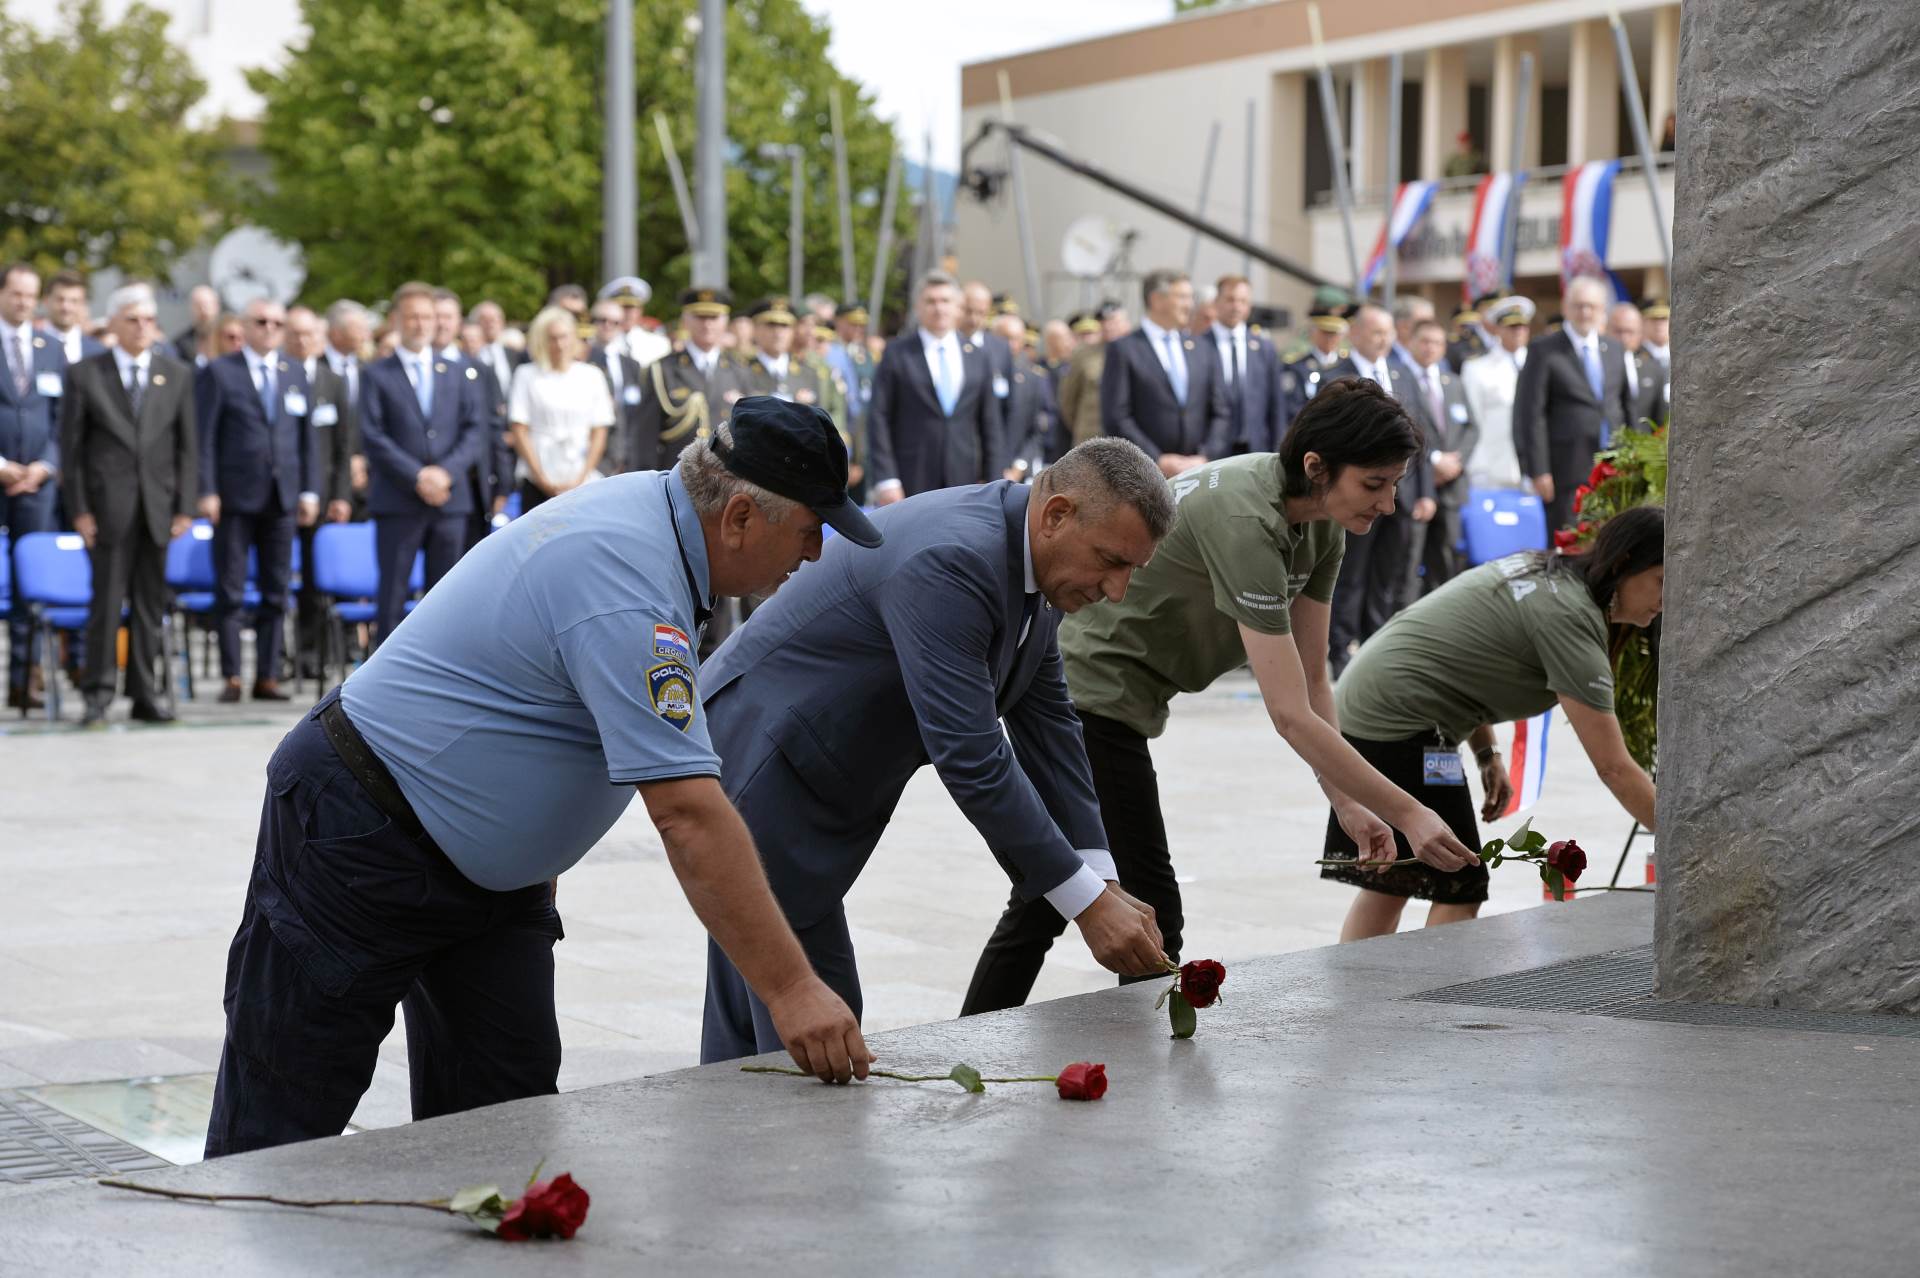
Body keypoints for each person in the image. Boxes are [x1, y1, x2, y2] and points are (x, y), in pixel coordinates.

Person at [203, 398, 885, 1157]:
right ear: (740, 519)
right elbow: (687, 815)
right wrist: (791, 990)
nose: (818, 552)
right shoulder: (627, 576)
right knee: (278, 1129)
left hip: (486, 883)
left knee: (503, 1125)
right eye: (810, 528)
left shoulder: (658, 519)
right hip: (359, 834)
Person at [962, 380, 1479, 1013]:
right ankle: (1142, 1086)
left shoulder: (1322, 528)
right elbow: (1288, 713)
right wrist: (1411, 812)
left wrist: (1347, 802)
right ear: (1316, 467)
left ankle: (979, 1040)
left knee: (1049, 897)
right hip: (1086, 696)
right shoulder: (1247, 518)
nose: (1391, 503)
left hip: (1118, 701)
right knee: (1150, 915)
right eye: (1374, 484)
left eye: (1395, 483)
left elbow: (1315, 682)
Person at [701, 437, 1175, 1061]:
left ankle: (728, 1148)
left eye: (1132, 571)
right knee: (812, 1023)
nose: (1117, 590)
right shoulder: (956, 558)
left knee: (758, 1008)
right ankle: (782, 1156)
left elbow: (1050, 719)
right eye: (1112, 561)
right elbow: (973, 756)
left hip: (805, 762)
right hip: (765, 754)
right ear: (1057, 514)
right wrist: (1085, 903)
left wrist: (1102, 877)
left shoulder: (1036, 557)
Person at [1322, 506, 1664, 939]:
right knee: (1459, 883)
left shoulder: (1549, 576)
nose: (1666, 599)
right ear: (1623, 564)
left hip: (1373, 701)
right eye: (1662, 581)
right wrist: (1685, 845)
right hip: (1398, 718)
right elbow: (1613, 766)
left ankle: (1359, 1000)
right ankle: (1417, 1003)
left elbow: (1461, 659)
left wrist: (1487, 753)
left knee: (1393, 875)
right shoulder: (1570, 617)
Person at [61, 283, 196, 724]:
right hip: (106, 510)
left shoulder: (175, 374)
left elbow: (187, 449)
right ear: (114, 322)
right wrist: (79, 509)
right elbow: (73, 451)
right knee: (105, 604)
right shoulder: (86, 374)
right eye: (132, 320)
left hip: (157, 509)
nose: (142, 328)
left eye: (148, 320)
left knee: (149, 606)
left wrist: (184, 508)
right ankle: (97, 696)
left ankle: (145, 693)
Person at [195, 297, 318, 701]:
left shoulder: (294, 371)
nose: (269, 328)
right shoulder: (220, 371)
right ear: (244, 326)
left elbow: (306, 440)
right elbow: (205, 438)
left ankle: (267, 675)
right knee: (230, 588)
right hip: (234, 496)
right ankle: (232, 676)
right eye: (261, 321)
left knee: (276, 589)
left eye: (276, 323)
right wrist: (207, 489)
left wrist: (309, 489)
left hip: (281, 497)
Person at [358, 281, 488, 644]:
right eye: (412, 316)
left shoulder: (458, 371)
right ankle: (381, 683)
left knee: (444, 597)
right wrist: (418, 476)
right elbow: (373, 435)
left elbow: (474, 431)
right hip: (399, 499)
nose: (420, 324)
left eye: (427, 316)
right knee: (393, 592)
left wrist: (445, 473)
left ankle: (438, 677)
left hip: (449, 500)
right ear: (396, 320)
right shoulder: (376, 374)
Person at [1323, 303, 1435, 675]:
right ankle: (1341, 648)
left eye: (1387, 332)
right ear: (1355, 333)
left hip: (1401, 495)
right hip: (1358, 493)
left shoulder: (1402, 375)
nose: (1383, 339)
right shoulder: (1338, 376)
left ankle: (1375, 645)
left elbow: (1421, 438)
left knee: (1389, 575)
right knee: (1351, 572)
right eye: (1375, 332)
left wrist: (1425, 491)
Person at [866, 270, 1005, 503]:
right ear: (918, 307)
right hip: (910, 477)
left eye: (945, 301)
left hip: (965, 479)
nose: (939, 308)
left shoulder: (977, 356)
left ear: (958, 306)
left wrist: (994, 480)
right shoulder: (898, 353)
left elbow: (990, 422)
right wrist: (887, 478)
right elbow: (878, 416)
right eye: (930, 301)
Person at [1514, 276, 1634, 533]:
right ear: (1566, 307)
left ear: (1602, 310)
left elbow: (1624, 405)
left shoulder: (1614, 349)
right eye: (1579, 305)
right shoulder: (1544, 349)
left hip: (1612, 467)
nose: (1585, 312)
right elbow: (1530, 413)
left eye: (1592, 306)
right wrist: (1538, 470)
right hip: (1565, 469)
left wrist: (1633, 457)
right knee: (1568, 542)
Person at [0, 263, 65, 711]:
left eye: (30, 295)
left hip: (37, 485)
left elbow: (64, 420)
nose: (24, 302)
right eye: (16, 293)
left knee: (29, 586)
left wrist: (44, 466)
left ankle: (25, 680)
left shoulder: (51, 348)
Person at [1099, 269, 1230, 477]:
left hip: (1199, 472)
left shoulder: (1202, 348)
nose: (1189, 305)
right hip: (1144, 476)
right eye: (1182, 297)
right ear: (1157, 300)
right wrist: (1156, 459)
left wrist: (1206, 456)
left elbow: (1220, 411)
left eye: (1190, 297)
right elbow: (1116, 417)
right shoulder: (1125, 349)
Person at [505, 306, 612, 514]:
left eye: (564, 337)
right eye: (552, 338)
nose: (559, 344)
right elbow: (519, 429)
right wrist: (542, 479)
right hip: (537, 480)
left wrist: (582, 476)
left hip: (582, 479)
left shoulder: (591, 375)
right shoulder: (526, 375)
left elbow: (599, 430)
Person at [635, 286, 748, 474]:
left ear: (725, 320)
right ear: (685, 320)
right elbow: (645, 436)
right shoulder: (663, 369)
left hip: (728, 479)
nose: (707, 324)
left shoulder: (740, 371)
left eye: (714, 317)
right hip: (676, 475)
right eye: (700, 317)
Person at [1406, 317, 1479, 596]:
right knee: (1410, 561)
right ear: (1411, 342)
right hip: (1417, 484)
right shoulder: (1402, 377)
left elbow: (1472, 427)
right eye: (1424, 341)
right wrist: (1434, 460)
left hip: (1451, 486)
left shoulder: (1453, 382)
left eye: (1437, 343)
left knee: (1447, 560)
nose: (1430, 348)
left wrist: (1456, 461)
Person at [1209, 273, 1296, 454]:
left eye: (1242, 301)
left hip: (1255, 448)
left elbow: (1276, 405)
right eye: (1230, 300)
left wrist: (1278, 450)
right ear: (1216, 301)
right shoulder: (1199, 344)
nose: (1236, 307)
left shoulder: (1264, 348)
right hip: (1211, 451)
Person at [1460, 296, 1533, 491]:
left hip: (1535, 470)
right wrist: (1478, 468)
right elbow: (1473, 421)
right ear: (1498, 329)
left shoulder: (1539, 364)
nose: (1517, 331)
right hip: (1495, 470)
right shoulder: (1477, 368)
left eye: (1522, 326)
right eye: (1511, 326)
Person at [993, 309, 1061, 479]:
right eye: (1005, 338)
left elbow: (1035, 432)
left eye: (1016, 339)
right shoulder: (978, 373)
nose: (1011, 345)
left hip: (1016, 474)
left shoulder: (1032, 379)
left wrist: (1019, 467)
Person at [1058, 302, 1125, 451]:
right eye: (1104, 322)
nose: (1109, 326)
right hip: (1091, 439)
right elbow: (1068, 401)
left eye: (1113, 321)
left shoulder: (1137, 352)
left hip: (1128, 443)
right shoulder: (1083, 355)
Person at [587, 300, 644, 473]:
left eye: (615, 322)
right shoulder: (583, 360)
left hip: (624, 453)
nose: (608, 326)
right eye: (602, 320)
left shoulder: (631, 365)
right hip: (592, 452)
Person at [1608, 302, 1667, 430]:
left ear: (1640, 333)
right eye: (1618, 331)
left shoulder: (1652, 368)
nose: (1624, 338)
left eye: (1630, 331)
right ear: (1607, 330)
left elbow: (1660, 417)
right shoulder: (1597, 366)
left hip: (1643, 444)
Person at [599, 276, 670, 368]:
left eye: (631, 307)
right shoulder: (599, 342)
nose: (627, 313)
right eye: (622, 307)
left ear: (641, 309)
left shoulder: (659, 344)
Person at [40, 270, 105, 366]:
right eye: (60, 299)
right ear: (46, 301)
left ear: (83, 305)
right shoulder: (29, 347)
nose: (66, 307)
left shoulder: (98, 351)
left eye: (74, 301)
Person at [1288, 302, 1349, 403]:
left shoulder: (1346, 364)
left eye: (1334, 334)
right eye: (1324, 333)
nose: (1329, 339)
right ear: (1313, 333)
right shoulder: (1298, 366)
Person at [170, 284, 221, 367]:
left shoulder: (231, 338)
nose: (203, 310)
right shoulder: (181, 344)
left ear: (216, 306)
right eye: (198, 305)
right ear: (191, 308)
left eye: (207, 305)